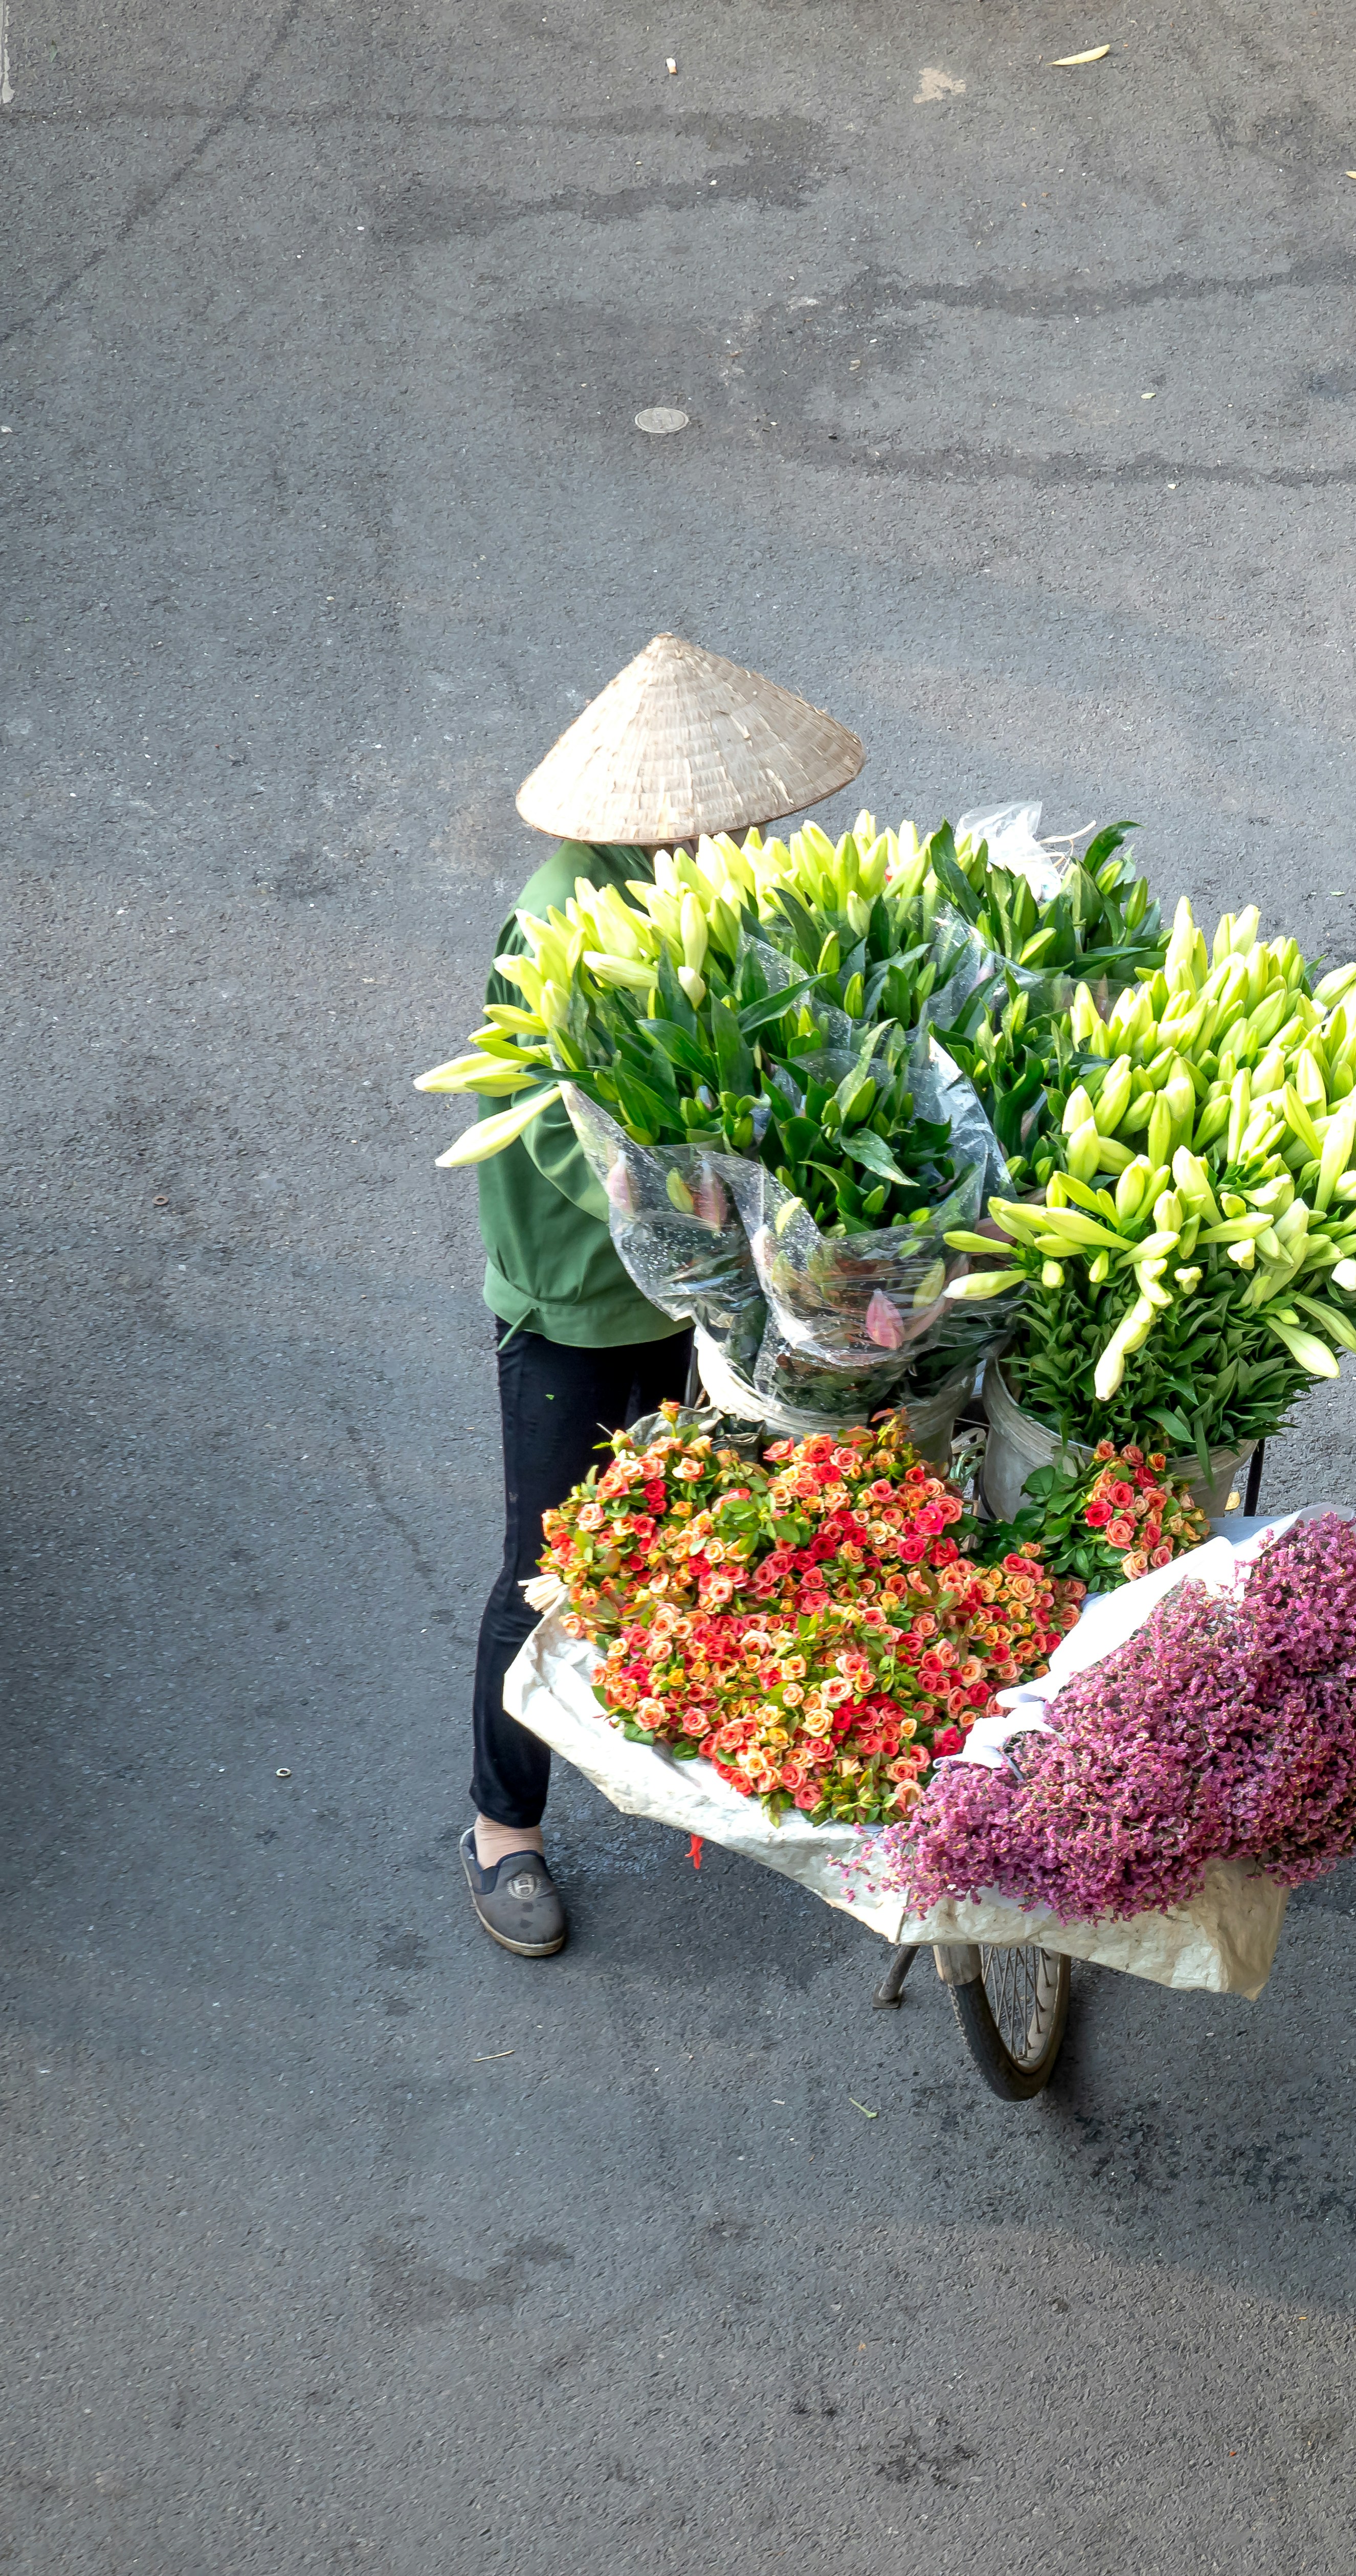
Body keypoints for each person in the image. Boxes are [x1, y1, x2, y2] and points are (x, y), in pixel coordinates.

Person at [458, 638, 865, 1957]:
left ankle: (707, 1748)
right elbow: (565, 1149)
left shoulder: (715, 891)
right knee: (545, 1567)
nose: (753, 832)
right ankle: (501, 1828)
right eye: (731, 818)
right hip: (578, 1301)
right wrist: (718, 1235)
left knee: (695, 1521)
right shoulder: (559, 921)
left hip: (700, 1293)